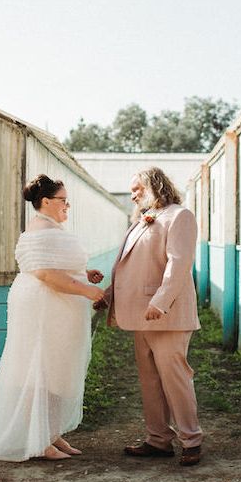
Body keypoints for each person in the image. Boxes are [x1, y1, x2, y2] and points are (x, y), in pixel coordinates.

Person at [0, 174, 106, 462]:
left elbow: (53, 265)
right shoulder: (40, 231)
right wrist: (89, 290)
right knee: (38, 370)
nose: (67, 206)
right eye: (63, 200)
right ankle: (35, 440)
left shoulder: (48, 228)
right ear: (46, 202)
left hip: (55, 308)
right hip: (42, 310)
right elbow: (46, 274)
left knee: (55, 371)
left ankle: (49, 431)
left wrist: (82, 273)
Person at [95, 167, 203, 466]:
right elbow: (127, 267)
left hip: (165, 314)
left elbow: (178, 264)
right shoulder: (140, 221)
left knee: (175, 378)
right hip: (140, 315)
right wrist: (108, 294)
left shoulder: (179, 216)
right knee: (149, 380)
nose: (133, 196)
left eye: (137, 190)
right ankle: (158, 440)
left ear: (155, 186)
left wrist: (161, 301)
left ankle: (191, 439)